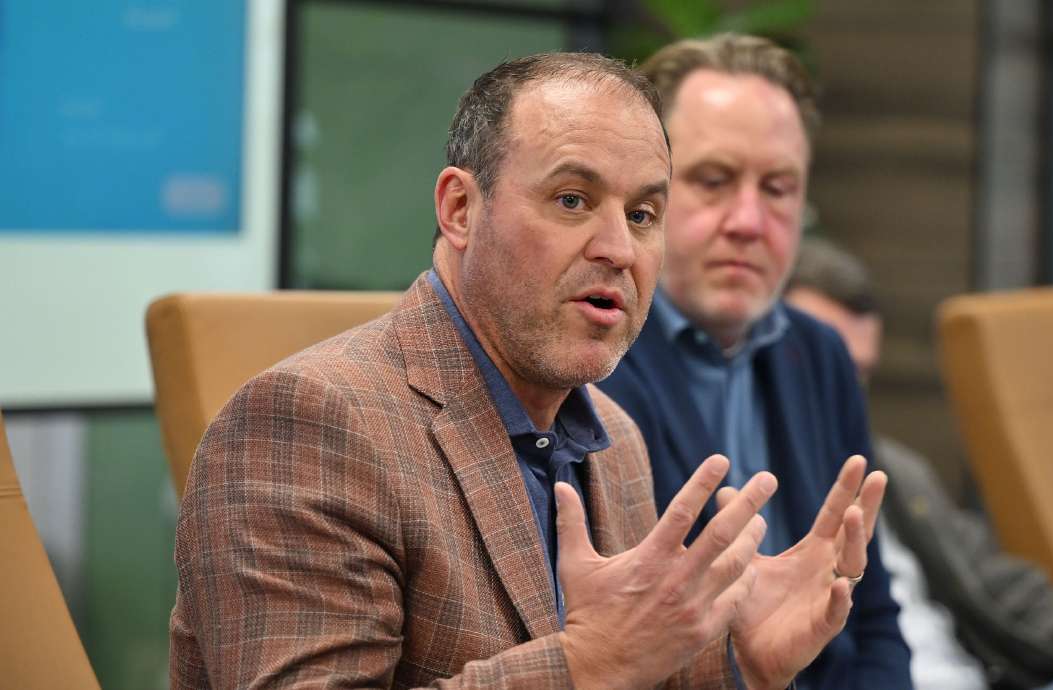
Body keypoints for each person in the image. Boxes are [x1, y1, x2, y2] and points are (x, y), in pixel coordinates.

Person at [170, 52, 887, 689]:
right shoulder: (306, 423)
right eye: (572, 200)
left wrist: (737, 665)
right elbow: (603, 665)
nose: (618, 249)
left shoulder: (615, 438)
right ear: (460, 209)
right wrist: (588, 666)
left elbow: (634, 671)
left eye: (643, 214)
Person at [597, 34, 912, 689]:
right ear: (645, 196)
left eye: (778, 188)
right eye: (713, 181)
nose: (748, 221)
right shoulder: (593, 359)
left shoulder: (819, 353)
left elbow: (873, 616)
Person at [784, 236, 1053, 690]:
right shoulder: (767, 485)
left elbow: (1009, 597)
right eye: (827, 364)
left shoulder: (894, 471)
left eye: (860, 372)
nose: (848, 391)